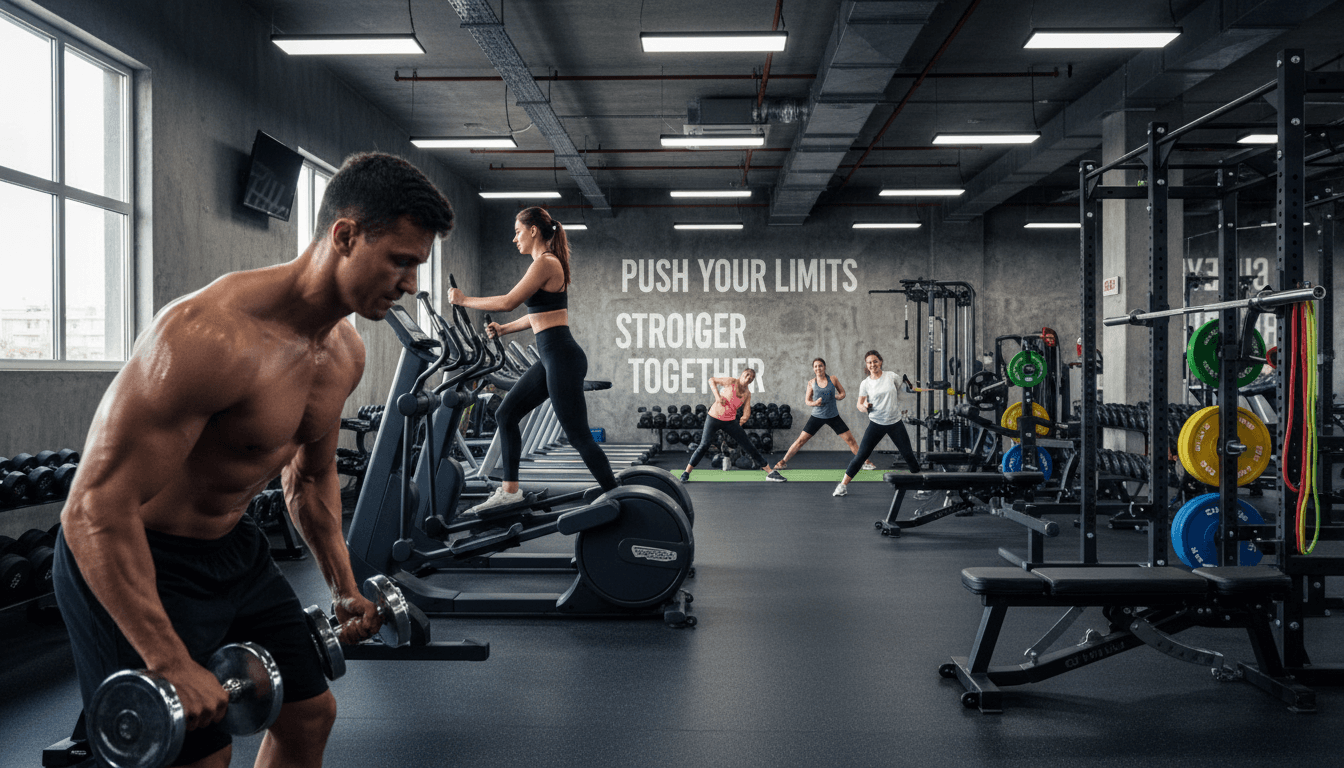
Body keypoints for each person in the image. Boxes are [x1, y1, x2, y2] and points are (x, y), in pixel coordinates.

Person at [54, 152, 455, 768]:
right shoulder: (207, 335)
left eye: (417, 265)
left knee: (309, 716)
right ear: (345, 236)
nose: (410, 283)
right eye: (400, 260)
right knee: (201, 756)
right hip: (140, 553)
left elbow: (310, 478)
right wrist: (169, 660)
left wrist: (342, 587)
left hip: (235, 550)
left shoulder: (343, 353)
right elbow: (92, 509)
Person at [448, 206, 617, 513]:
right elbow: (541, 315)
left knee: (579, 436)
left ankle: (619, 496)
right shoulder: (546, 264)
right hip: (554, 357)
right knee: (506, 414)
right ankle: (510, 491)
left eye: (518, 232)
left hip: (562, 357)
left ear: (533, 230)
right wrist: (504, 329)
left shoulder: (545, 262)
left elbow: (508, 301)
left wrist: (464, 300)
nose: (515, 239)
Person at [832, 350, 921, 497]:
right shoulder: (865, 383)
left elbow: (904, 391)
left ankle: (921, 487)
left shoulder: (892, 376)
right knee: (861, 456)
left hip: (895, 422)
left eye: (875, 361)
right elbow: (859, 404)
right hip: (876, 423)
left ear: (880, 362)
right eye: (869, 362)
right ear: (866, 365)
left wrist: (913, 389)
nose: (872, 364)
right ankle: (842, 486)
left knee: (908, 454)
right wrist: (865, 407)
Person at [680, 369, 787, 483]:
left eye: (751, 378)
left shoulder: (747, 393)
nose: (748, 379)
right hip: (713, 418)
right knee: (704, 445)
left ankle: (770, 473)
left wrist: (743, 420)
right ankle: (686, 473)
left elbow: (747, 410)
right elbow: (712, 380)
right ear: (742, 374)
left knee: (748, 446)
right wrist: (717, 396)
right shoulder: (731, 381)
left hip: (730, 422)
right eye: (747, 375)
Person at [772, 357, 877, 472]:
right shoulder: (811, 383)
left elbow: (843, 393)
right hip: (817, 416)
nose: (818, 368)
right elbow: (807, 401)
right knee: (801, 441)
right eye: (816, 366)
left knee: (850, 440)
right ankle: (783, 462)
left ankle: (866, 462)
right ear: (813, 369)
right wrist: (815, 403)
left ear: (824, 367)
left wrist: (837, 397)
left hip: (833, 416)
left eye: (820, 365)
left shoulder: (833, 379)